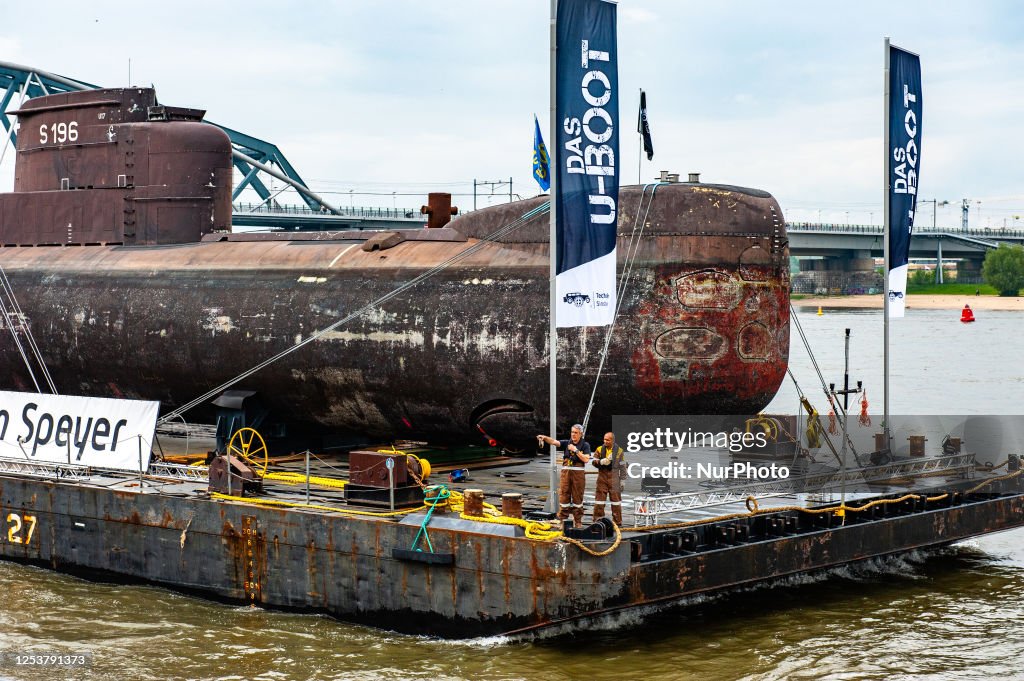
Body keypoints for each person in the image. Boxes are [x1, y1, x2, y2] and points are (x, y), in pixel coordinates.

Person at [537, 424, 591, 528]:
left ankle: (578, 521)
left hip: (578, 477)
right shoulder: (567, 443)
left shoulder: (585, 445)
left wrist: (575, 450)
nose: (573, 434)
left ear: (581, 434)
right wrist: (544, 438)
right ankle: (562, 520)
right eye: (572, 432)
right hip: (566, 475)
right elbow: (554, 442)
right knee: (564, 496)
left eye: (576, 433)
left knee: (577, 498)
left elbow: (586, 459)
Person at [591, 432, 626, 526]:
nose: (605, 441)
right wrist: (601, 462)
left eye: (608, 440)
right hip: (602, 477)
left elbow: (623, 466)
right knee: (599, 501)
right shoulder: (599, 449)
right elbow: (593, 462)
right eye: (604, 439)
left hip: (614, 478)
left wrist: (623, 480)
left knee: (616, 502)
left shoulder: (619, 451)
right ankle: (598, 521)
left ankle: (617, 522)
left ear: (613, 440)